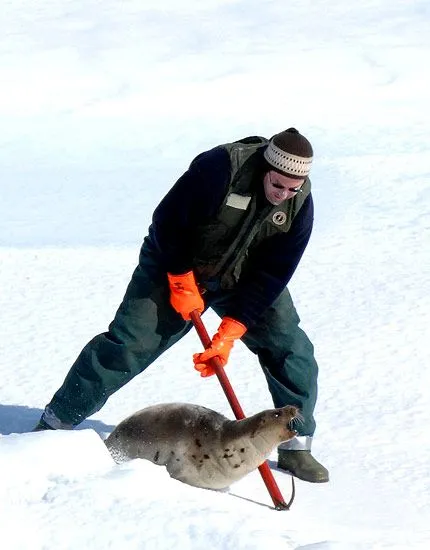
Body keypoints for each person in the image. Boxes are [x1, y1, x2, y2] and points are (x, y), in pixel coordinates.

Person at [34, 128, 329, 483]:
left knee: (290, 346)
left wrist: (232, 329)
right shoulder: (220, 168)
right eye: (277, 185)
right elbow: (169, 223)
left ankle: (297, 446)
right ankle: (56, 423)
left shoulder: (299, 205)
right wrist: (179, 278)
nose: (283, 195)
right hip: (176, 265)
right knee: (131, 344)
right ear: (267, 166)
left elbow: (274, 272)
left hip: (241, 278)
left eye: (292, 189)